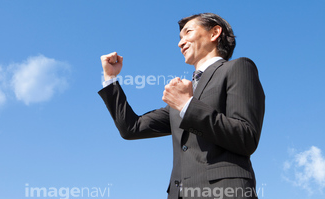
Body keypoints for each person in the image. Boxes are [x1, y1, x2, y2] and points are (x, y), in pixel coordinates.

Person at [98, 13, 265, 199]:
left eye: (188, 32)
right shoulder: (183, 97)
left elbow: (246, 137)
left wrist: (187, 104)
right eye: (179, 38)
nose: (180, 43)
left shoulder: (238, 68)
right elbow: (131, 128)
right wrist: (110, 79)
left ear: (215, 33)